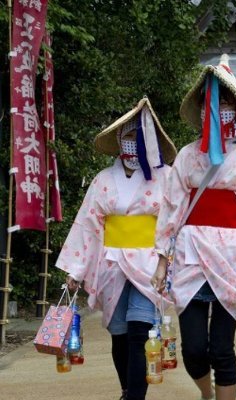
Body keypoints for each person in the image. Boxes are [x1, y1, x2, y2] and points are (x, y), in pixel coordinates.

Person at [151, 54, 236, 400]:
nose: (219, 110)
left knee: (221, 349)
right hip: (190, 256)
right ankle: (206, 394)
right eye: (213, 103)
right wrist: (162, 259)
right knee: (193, 349)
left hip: (233, 257)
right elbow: (171, 209)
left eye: (227, 103)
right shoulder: (185, 156)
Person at [56, 98, 177, 400]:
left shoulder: (167, 177)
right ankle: (127, 390)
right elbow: (88, 225)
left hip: (149, 263)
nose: (132, 142)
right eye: (127, 135)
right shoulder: (102, 180)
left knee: (141, 332)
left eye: (138, 135)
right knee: (120, 333)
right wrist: (76, 269)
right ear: (119, 140)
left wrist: (167, 262)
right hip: (110, 263)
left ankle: (135, 397)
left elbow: (174, 222)